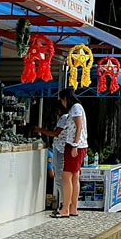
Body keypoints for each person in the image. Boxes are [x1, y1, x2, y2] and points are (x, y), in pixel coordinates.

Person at [40, 88, 87, 217]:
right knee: (74, 176)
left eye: (62, 100)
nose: (62, 103)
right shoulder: (75, 109)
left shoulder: (76, 108)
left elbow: (79, 127)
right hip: (75, 145)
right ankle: (72, 208)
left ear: (65, 99)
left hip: (75, 145)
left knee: (67, 177)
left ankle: (65, 208)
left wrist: (75, 145)